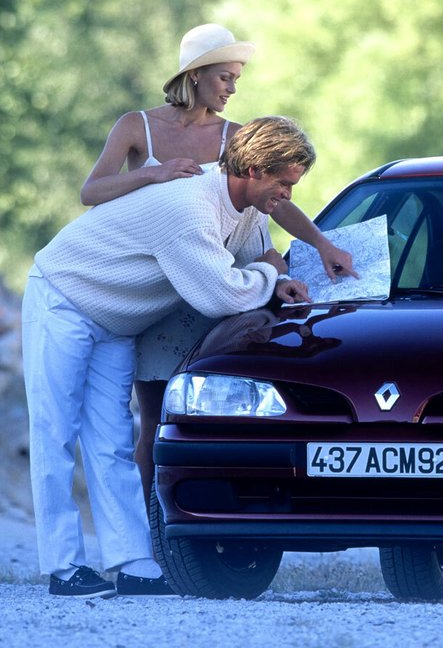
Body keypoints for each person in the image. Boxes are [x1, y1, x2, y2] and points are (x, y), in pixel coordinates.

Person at [23, 115, 315, 598]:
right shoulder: (191, 206)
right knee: (54, 432)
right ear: (253, 168)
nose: (287, 194)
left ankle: (134, 564)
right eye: (282, 183)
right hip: (64, 298)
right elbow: (219, 295)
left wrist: (274, 277)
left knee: (114, 441)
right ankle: (63, 567)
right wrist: (268, 281)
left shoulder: (244, 211)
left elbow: (258, 260)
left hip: (118, 322)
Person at [79, 23, 356, 499]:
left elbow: (272, 200)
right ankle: (148, 535)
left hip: (218, 289)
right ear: (196, 74)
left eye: (236, 79)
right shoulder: (136, 126)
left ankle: (202, 518)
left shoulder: (237, 137)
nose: (232, 88)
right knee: (154, 422)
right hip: (158, 293)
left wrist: (321, 243)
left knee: (205, 416)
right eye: (226, 77)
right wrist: (157, 175)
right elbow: (92, 192)